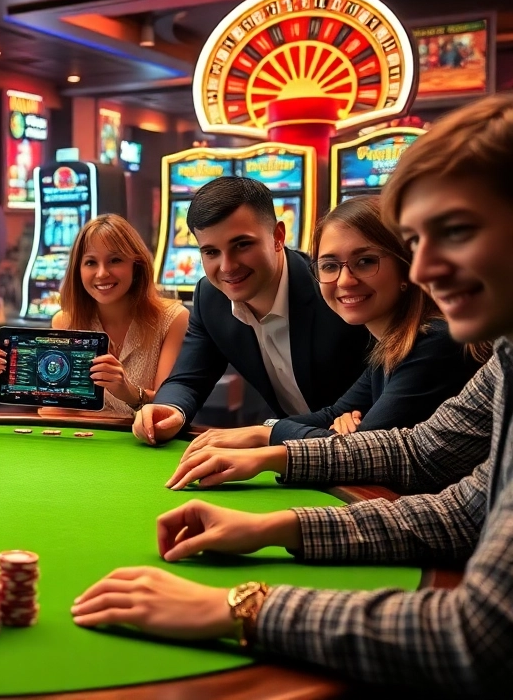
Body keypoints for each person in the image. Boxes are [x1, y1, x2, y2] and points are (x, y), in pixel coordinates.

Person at [72, 94, 513, 695]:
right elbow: (434, 472)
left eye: (457, 231)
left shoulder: (401, 326)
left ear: (279, 238)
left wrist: (238, 605)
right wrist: (274, 523)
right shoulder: (505, 358)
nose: (422, 269)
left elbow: (479, 637)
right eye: (417, 241)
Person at [165, 196, 484, 489]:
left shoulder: (434, 341)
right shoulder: (391, 342)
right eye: (330, 266)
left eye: (365, 261)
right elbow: (335, 413)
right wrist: (260, 432)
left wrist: (265, 437)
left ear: (406, 265)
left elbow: (364, 452)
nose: (345, 280)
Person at [132, 176, 371, 445]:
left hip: (363, 444)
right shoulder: (211, 298)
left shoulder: (336, 289)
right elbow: (188, 380)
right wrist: (169, 409)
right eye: (211, 252)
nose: (227, 267)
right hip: (287, 444)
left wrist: (265, 433)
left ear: (278, 237)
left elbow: (378, 394)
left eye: (242, 245)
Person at [0, 215, 188, 416]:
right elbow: (61, 406)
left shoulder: (172, 319)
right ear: (78, 270)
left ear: (137, 265)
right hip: (85, 435)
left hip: (143, 437)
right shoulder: (65, 320)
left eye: (115, 260)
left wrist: (129, 392)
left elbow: (169, 408)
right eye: (91, 262)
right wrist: (9, 377)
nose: (102, 273)